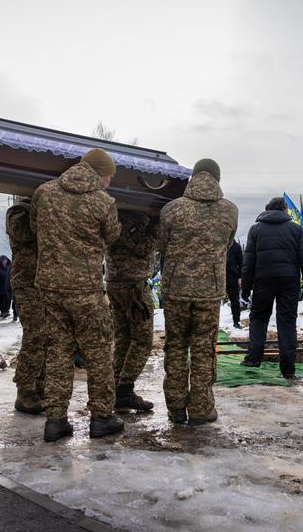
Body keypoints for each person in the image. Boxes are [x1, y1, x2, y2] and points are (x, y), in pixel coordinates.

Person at [31, 148, 123, 442]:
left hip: (50, 289)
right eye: (109, 176)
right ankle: (101, 418)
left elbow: (36, 228)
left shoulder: (43, 193)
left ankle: (55, 421)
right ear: (100, 173)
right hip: (86, 291)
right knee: (98, 355)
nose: (109, 182)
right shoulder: (103, 202)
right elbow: (113, 236)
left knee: (58, 354)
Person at [159, 158, 238, 426]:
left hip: (176, 290)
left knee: (176, 347)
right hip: (209, 291)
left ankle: (176, 407)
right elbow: (226, 245)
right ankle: (202, 408)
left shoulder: (171, 210)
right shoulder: (230, 211)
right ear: (217, 178)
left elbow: (163, 245)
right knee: (204, 349)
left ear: (193, 177)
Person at [241, 197, 303, 379]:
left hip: (263, 279)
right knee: (287, 322)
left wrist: (245, 287)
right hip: (289, 280)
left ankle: (253, 358)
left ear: (267, 209)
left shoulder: (255, 229)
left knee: (258, 318)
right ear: (285, 210)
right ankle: (288, 368)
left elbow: (248, 261)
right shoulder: (295, 229)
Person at [106, 211, 158, 412]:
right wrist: (154, 227)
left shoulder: (116, 214)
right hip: (132, 287)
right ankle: (124, 390)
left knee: (124, 338)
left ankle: (115, 388)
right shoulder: (127, 218)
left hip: (118, 283)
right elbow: (143, 248)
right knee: (142, 339)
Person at [6, 197, 45, 414]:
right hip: (27, 282)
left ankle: (40, 387)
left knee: (48, 337)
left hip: (46, 282)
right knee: (35, 335)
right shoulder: (19, 211)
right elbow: (23, 233)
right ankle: (25, 390)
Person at [225, 239, 243, 328]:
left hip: (232, 277)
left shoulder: (236, 247)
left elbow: (241, 264)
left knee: (235, 301)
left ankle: (236, 322)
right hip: (218, 277)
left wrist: (240, 277)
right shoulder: (220, 245)